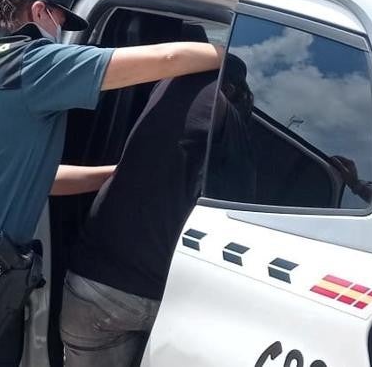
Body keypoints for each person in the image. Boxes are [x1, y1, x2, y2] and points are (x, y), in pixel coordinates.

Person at [0, 0, 225, 367]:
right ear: (38, 11)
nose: (60, 35)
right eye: (60, 22)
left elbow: (36, 178)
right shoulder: (30, 64)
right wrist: (236, 52)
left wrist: (121, 175)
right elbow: (171, 61)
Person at [61, 50, 251, 366]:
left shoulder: (163, 90)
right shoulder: (226, 115)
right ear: (231, 88)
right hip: (165, 290)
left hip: (94, 285)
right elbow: (240, 200)